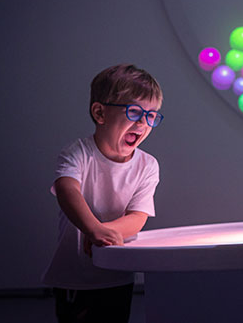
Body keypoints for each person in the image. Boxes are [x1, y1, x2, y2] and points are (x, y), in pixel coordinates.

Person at [42, 64, 164, 323]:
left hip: (117, 273)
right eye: (134, 112)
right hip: (75, 276)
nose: (143, 123)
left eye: (152, 115)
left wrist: (103, 232)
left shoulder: (148, 165)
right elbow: (66, 189)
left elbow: (138, 216)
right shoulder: (78, 153)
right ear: (100, 113)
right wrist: (92, 229)